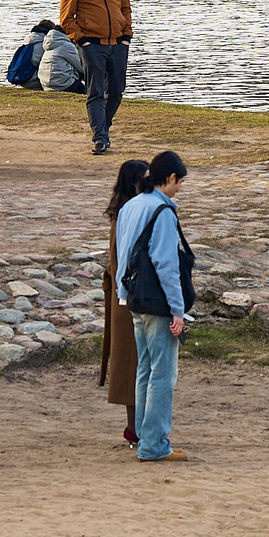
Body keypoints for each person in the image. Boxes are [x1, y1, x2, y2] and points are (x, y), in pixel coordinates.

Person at [115, 151, 192, 463]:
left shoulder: (130, 206)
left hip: (135, 299)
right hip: (158, 302)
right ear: (170, 178)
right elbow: (166, 264)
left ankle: (147, 439)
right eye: (180, 182)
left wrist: (124, 293)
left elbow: (123, 253)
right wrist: (178, 309)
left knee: (145, 370)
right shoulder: (162, 211)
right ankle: (154, 445)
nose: (180, 189)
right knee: (162, 374)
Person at [58, 0, 133, 156]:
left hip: (118, 44)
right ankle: (100, 138)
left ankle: (103, 126)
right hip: (92, 46)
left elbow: (125, 7)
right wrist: (81, 41)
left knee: (117, 90)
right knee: (95, 91)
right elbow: (66, 19)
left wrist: (126, 35)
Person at [99, 158, 152, 449]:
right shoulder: (128, 216)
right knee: (133, 365)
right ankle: (135, 428)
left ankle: (137, 427)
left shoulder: (125, 213)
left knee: (134, 364)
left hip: (125, 294)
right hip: (128, 297)